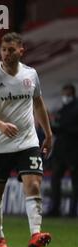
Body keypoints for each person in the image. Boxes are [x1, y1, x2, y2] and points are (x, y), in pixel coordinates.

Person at [0, 32, 53, 247]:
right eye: (4, 49)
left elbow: (38, 104)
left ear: (21, 50)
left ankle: (35, 234)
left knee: (34, 184)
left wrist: (48, 134)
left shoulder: (31, 74)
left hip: (27, 141)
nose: (7, 54)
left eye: (11, 50)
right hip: (0, 143)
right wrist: (0, 124)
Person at [48, 84, 78, 217]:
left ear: (71, 93)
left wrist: (61, 127)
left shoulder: (76, 108)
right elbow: (57, 128)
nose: (64, 96)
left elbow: (72, 129)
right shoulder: (62, 109)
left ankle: (73, 210)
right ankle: (55, 208)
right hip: (60, 151)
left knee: (75, 181)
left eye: (66, 93)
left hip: (73, 151)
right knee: (55, 179)